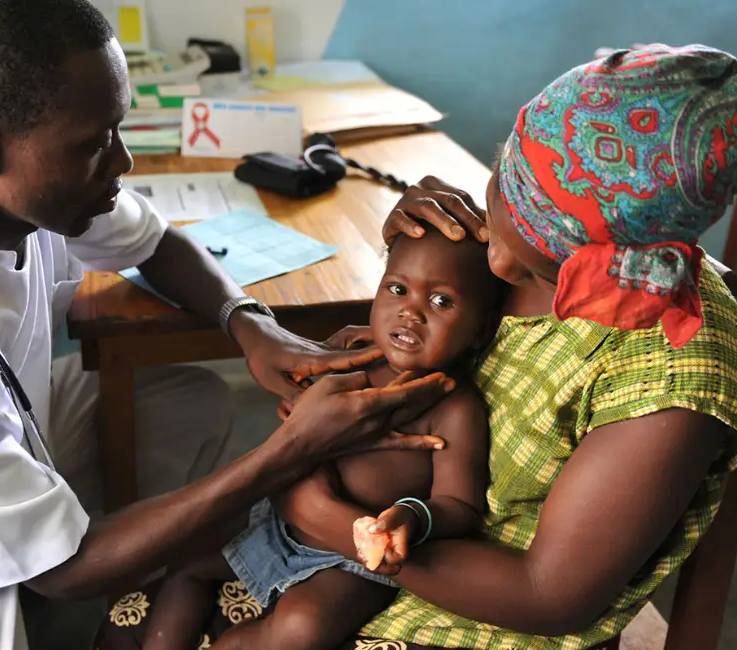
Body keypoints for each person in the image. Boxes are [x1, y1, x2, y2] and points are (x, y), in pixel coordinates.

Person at [0, 2, 459, 649]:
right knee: (45, 578)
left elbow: (155, 244)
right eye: (97, 142)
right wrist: (289, 452)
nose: (123, 162)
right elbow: (63, 571)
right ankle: (62, 549)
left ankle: (96, 547)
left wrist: (251, 326)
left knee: (191, 400)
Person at [97, 43, 737, 650]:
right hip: (360, 535)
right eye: (500, 193)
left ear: (614, 263)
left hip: (483, 616)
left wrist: (322, 515)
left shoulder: (677, 376)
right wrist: (430, 261)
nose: (499, 266)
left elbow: (550, 596)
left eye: (541, 269)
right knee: (153, 596)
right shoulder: (509, 243)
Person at [142, 224, 504, 650]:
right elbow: (296, 424)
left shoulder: (454, 408)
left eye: (442, 301)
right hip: (274, 519)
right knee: (185, 558)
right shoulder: (349, 363)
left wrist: (410, 517)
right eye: (397, 289)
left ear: (480, 331)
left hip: (349, 561)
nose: (412, 312)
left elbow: (459, 507)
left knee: (302, 627)